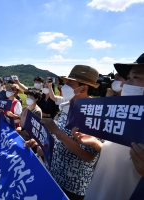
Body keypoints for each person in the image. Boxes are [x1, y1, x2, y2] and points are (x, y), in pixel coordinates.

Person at [25, 65, 101, 199]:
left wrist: (57, 131)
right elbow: (58, 136)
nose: (64, 87)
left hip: (72, 185)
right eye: (65, 83)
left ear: (83, 88)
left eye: (69, 84)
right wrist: (41, 140)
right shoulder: (67, 106)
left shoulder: (93, 114)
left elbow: (88, 156)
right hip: (54, 174)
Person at [81, 53, 144, 200]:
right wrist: (96, 144)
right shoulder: (125, 119)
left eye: (136, 77)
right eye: (128, 78)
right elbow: (121, 159)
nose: (125, 84)